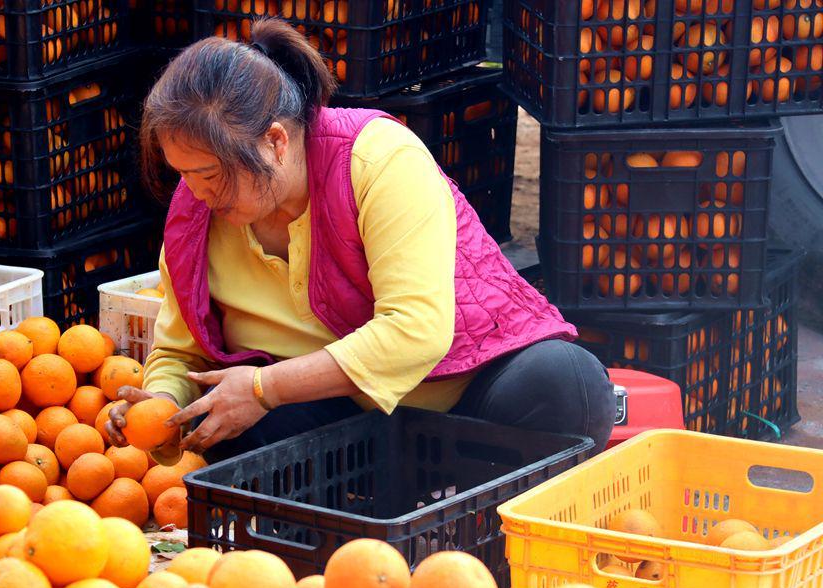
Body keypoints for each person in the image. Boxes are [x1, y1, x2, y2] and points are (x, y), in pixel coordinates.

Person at [106, 19, 615, 463]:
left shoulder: (375, 158)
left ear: (276, 141)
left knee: (566, 385)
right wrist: (163, 407)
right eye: (184, 174)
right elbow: (180, 354)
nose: (195, 192)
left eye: (212, 174)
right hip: (336, 428)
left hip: (460, 404)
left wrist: (265, 387)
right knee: (225, 426)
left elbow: (416, 329)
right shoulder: (195, 211)